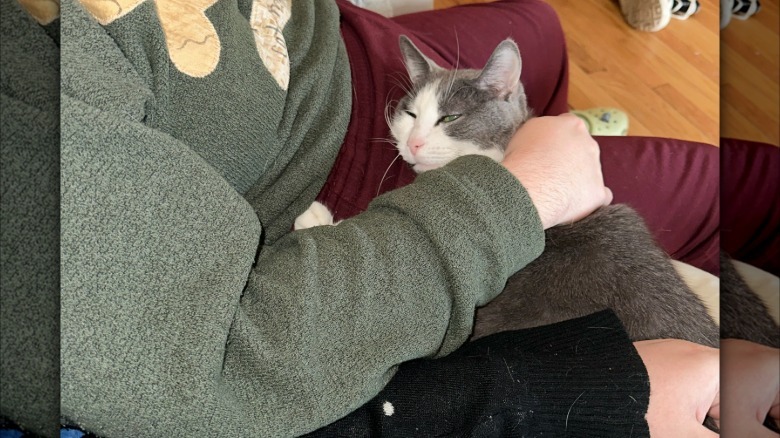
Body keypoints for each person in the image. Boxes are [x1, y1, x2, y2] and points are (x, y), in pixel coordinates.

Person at [0, 0, 728, 436]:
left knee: (539, 21)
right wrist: (524, 191)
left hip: (338, 46)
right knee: (730, 187)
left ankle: (534, 113)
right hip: (364, 168)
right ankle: (553, 128)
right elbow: (210, 360)